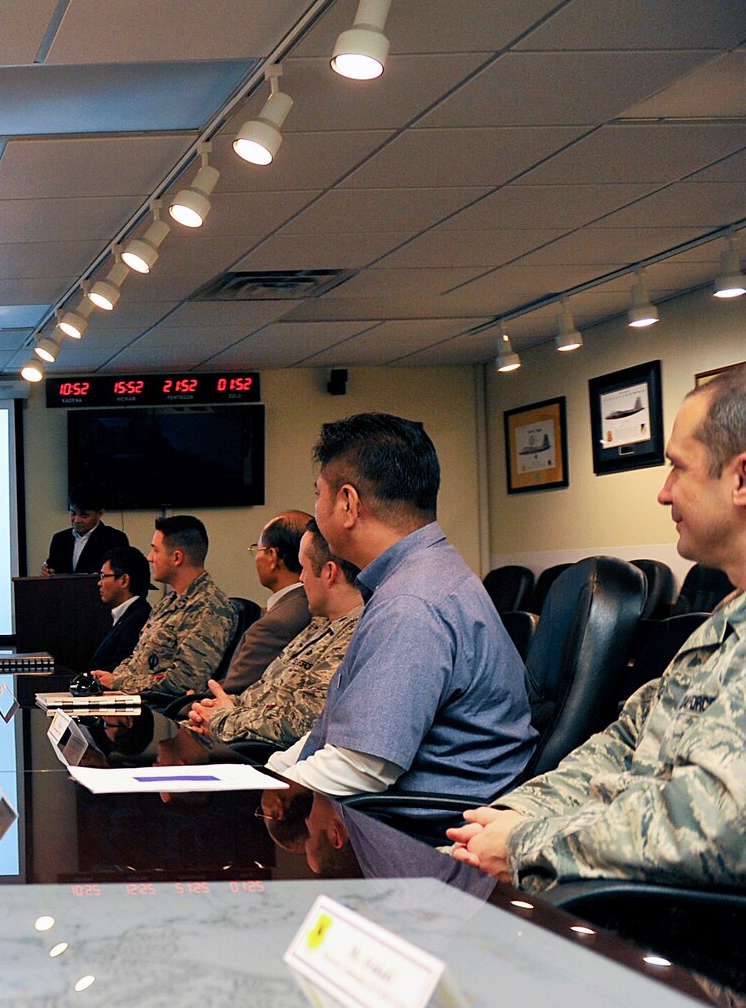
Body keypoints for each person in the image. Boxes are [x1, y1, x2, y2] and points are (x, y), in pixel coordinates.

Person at [448, 370, 746, 890]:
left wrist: (526, 842)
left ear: (741, 481)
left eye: (678, 468)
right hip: (601, 893)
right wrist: (506, 819)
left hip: (674, 945)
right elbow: (622, 745)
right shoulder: (724, 620)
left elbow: (715, 827)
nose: (662, 492)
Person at [267, 414, 534, 799]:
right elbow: (345, 730)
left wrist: (269, 796)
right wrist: (273, 771)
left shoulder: (411, 603)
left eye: (318, 494)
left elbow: (360, 768)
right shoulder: (420, 575)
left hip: (414, 831)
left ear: (347, 504)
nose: (316, 508)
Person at [188, 521, 365, 749]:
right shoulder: (318, 625)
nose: (300, 579)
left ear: (329, 573)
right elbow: (263, 692)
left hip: (267, 761)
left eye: (304, 568)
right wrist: (215, 708)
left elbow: (303, 722)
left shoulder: (353, 635)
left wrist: (223, 719)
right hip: (238, 736)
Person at [90, 515, 235, 699]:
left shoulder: (208, 608)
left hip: (161, 712)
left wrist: (119, 683)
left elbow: (184, 682)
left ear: (176, 557)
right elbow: (138, 658)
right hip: (134, 699)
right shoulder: (168, 602)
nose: (150, 558)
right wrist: (112, 678)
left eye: (155, 551)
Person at [219, 511, 314, 694]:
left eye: (258, 549)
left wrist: (186, 704)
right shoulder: (309, 606)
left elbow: (233, 692)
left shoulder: (274, 625)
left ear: (272, 557)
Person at [87, 545, 152, 672]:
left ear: (124, 580)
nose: (99, 583)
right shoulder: (128, 614)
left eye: (104, 576)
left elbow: (118, 669)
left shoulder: (139, 618)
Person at [43, 491, 128, 576]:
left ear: (100, 514)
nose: (77, 520)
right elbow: (51, 567)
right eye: (73, 513)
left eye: (84, 516)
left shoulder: (115, 539)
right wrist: (47, 572)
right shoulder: (59, 539)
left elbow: (120, 574)